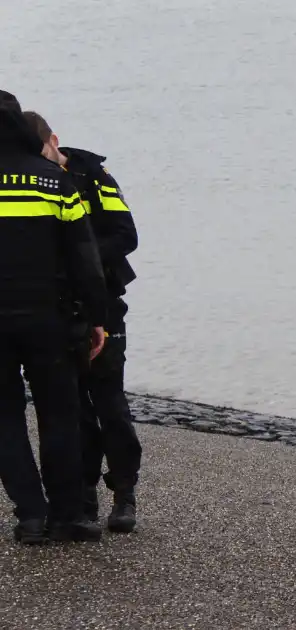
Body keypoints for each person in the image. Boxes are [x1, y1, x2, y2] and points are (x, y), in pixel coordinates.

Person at [23, 110, 141, 534]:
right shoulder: (33, 181)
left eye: (42, 151)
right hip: (60, 309)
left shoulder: (93, 175)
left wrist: (80, 257)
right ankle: (84, 497)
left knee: (109, 403)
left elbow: (126, 235)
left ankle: (124, 492)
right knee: (74, 410)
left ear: (54, 140)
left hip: (105, 301)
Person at [0, 90, 107, 543]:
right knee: (59, 414)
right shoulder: (54, 180)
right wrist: (97, 318)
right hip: (50, 319)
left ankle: (30, 516)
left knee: (4, 417)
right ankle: (68, 515)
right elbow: (85, 257)